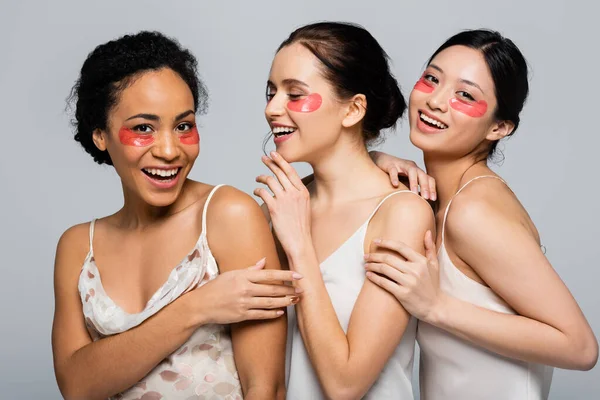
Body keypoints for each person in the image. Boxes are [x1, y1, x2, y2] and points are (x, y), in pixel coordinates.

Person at [51, 31, 301, 400]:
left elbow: (267, 388)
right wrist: (195, 307)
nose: (169, 150)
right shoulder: (77, 247)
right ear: (101, 135)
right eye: (143, 128)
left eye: (183, 126)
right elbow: (76, 385)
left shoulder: (228, 216)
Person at [365, 29, 598, 400]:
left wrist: (437, 307)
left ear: (499, 127)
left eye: (465, 95)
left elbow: (580, 347)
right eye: (431, 78)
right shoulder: (438, 199)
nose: (436, 101)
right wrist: (375, 160)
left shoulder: (473, 211)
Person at [254, 22, 435, 399]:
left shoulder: (401, 213)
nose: (272, 109)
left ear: (352, 109)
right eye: (271, 93)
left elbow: (346, 383)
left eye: (295, 94)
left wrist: (299, 245)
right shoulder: (282, 205)